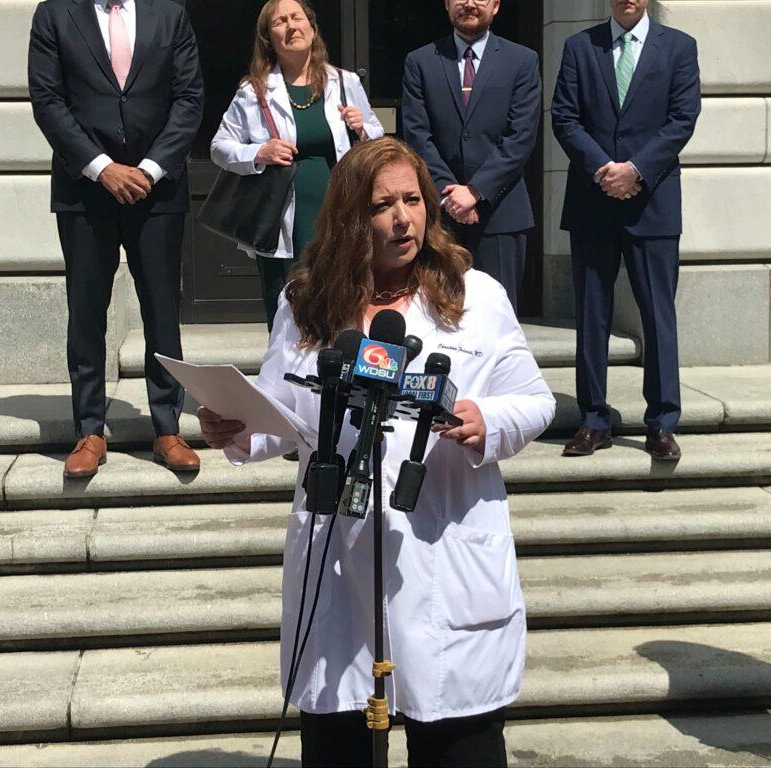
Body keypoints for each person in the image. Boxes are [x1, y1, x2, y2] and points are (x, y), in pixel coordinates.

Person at [199, 137, 555, 767]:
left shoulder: (477, 297)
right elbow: (286, 408)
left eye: (413, 200)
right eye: (383, 204)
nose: (402, 217)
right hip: (339, 556)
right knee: (340, 738)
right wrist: (239, 427)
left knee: (456, 742)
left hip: (441, 546)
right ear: (348, 218)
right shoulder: (306, 300)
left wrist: (486, 419)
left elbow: (535, 400)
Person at [28, 0, 204, 478]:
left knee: (162, 310)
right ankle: (89, 429)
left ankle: (166, 427)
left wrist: (148, 169)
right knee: (86, 310)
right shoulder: (55, 14)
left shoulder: (170, 14)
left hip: (157, 189)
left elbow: (189, 98)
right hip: (84, 190)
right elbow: (47, 100)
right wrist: (102, 168)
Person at [551, 0, 700, 461]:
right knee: (592, 316)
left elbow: (682, 118)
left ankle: (661, 422)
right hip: (593, 203)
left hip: (652, 203)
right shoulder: (580, 47)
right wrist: (603, 169)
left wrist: (636, 170)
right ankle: (594, 418)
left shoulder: (678, 47)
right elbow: (564, 117)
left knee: (658, 316)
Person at [210, 0, 384, 332]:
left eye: (297, 17)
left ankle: (338, 374)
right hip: (283, 215)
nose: (291, 25)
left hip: (339, 208)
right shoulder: (254, 91)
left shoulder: (345, 83)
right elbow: (219, 147)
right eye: (279, 22)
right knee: (287, 305)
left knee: (345, 298)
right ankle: (287, 378)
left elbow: (376, 142)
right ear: (268, 38)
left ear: (312, 28)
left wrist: (362, 128)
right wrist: (259, 152)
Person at [401, 0, 541, 311]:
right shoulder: (420, 61)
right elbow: (417, 135)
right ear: (447, 5)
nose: (469, 3)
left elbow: (521, 137)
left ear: (496, 5)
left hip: (501, 213)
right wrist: (451, 194)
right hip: (441, 215)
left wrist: (476, 191)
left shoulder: (522, 61)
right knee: (438, 314)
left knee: (497, 315)